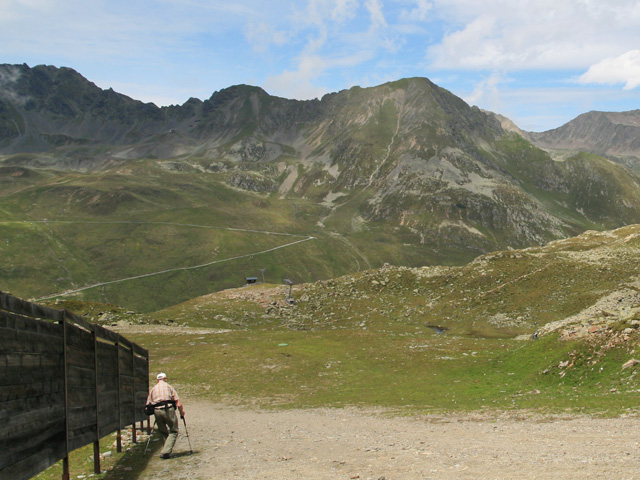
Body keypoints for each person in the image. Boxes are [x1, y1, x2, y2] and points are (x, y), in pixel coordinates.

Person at [145, 372, 186, 459]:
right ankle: (165, 451)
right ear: (165, 379)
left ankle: (166, 452)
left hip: (157, 411)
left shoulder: (153, 389)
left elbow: (147, 405)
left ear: (157, 380)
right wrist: (181, 412)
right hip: (168, 409)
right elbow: (178, 403)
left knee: (163, 430)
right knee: (174, 430)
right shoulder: (169, 387)